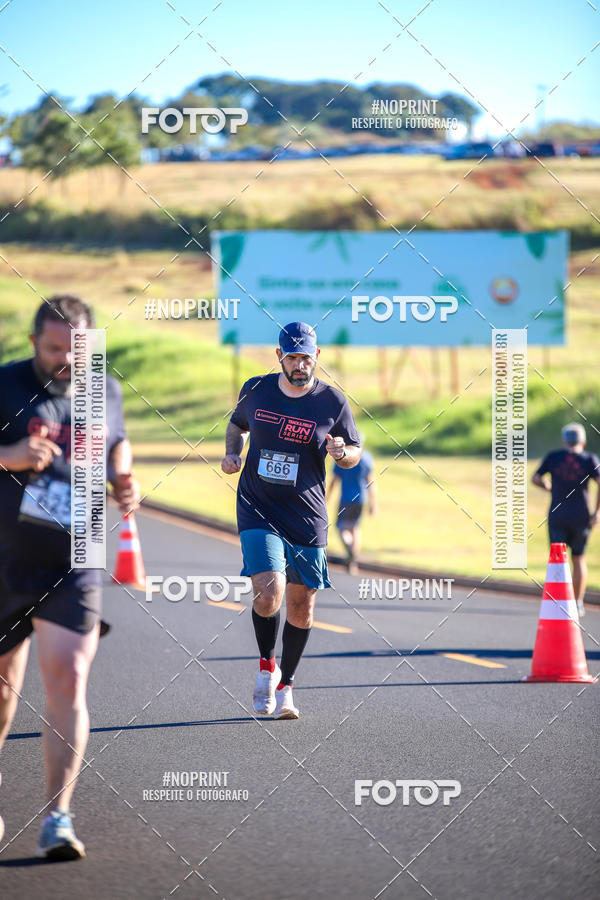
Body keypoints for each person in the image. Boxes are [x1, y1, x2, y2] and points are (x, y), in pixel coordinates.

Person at [0, 295, 140, 858]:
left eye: (75, 350)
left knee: (69, 678)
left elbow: (116, 442)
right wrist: (8, 454)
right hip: (6, 557)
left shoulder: (103, 389)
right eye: (55, 348)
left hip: (75, 555)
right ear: (34, 341)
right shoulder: (5, 384)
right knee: (4, 689)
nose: (66, 359)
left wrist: (123, 475)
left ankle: (57, 818)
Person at [221, 322, 361, 719]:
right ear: (279, 356)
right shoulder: (256, 389)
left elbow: (353, 451)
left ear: (317, 357)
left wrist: (341, 452)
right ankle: (267, 668)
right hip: (258, 506)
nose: (301, 365)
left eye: (307, 358)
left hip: (307, 513)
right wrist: (233, 453)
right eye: (293, 357)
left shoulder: (332, 401)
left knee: (302, 606)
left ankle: (286, 686)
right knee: (269, 593)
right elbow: (237, 425)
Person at [532, 423, 599, 616]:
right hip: (581, 516)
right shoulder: (589, 459)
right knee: (578, 559)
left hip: (558, 515)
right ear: (583, 442)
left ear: (564, 441)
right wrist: (597, 512)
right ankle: (577, 603)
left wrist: (547, 487)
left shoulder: (554, 457)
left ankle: (558, 603)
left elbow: (536, 478)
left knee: (557, 561)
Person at [327, 438, 376, 574]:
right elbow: (371, 483)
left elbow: (334, 480)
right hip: (361, 499)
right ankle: (353, 563)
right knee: (355, 528)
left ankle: (350, 552)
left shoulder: (343, 457)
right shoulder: (366, 458)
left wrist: (327, 497)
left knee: (341, 528)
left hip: (346, 498)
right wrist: (373, 503)